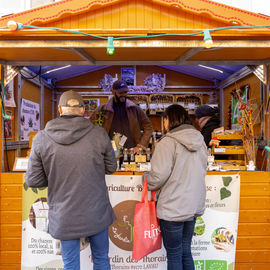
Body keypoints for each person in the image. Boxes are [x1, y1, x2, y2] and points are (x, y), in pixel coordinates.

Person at [25, 90, 117, 270]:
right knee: (101, 259)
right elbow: (111, 167)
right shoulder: (98, 134)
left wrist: (54, 174)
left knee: (70, 265)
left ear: (60, 109)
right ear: (83, 110)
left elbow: (33, 180)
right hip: (96, 212)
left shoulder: (41, 138)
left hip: (64, 214)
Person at [143, 104, 207, 270]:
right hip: (192, 206)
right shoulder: (200, 140)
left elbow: (158, 177)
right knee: (186, 250)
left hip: (173, 207)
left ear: (168, 120)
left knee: (174, 253)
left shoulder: (167, 142)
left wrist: (145, 180)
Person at [91, 80, 153, 153]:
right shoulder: (103, 109)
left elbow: (148, 127)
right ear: (113, 92)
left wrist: (141, 146)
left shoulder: (135, 109)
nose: (123, 95)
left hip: (132, 151)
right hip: (111, 152)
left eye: (125, 92)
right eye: (120, 92)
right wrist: (98, 145)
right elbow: (90, 127)